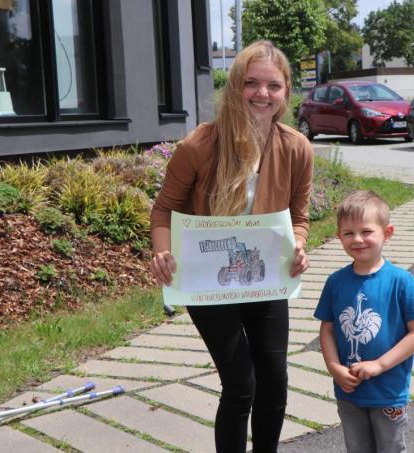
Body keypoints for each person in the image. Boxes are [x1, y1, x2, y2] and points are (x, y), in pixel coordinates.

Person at [148, 40, 313, 453]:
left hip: (266, 278)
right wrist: (162, 253)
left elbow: (299, 216)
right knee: (241, 383)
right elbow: (164, 209)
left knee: (274, 379)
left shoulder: (297, 148)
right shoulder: (199, 146)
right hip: (208, 280)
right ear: (235, 85)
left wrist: (300, 246)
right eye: (251, 83)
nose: (262, 93)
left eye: (273, 85)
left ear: (286, 92)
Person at [314, 190, 414, 453]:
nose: (357, 239)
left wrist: (379, 365)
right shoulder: (335, 282)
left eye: (366, 231)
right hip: (348, 391)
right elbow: (327, 329)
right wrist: (334, 367)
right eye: (348, 233)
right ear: (338, 236)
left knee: (390, 448)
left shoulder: (401, 281)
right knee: (357, 448)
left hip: (388, 391)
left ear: (387, 233)